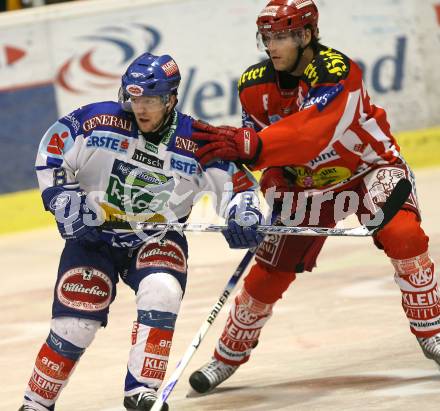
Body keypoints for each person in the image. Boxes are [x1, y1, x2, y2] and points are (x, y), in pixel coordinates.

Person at [188, 0, 440, 394]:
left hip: (365, 170)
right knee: (270, 270)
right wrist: (259, 196)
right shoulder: (254, 85)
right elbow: (260, 160)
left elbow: (311, 134)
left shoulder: (338, 71)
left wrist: (252, 147)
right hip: (304, 184)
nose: (272, 46)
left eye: (282, 36)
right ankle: (225, 356)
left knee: (403, 235)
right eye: (267, 37)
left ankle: (432, 332)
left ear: (306, 35)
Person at [19, 52, 264, 411]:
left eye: (150, 100)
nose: (141, 109)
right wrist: (61, 196)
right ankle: (35, 404)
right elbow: (54, 147)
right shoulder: (99, 120)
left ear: (171, 99)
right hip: (94, 236)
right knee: (75, 324)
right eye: (135, 99)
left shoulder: (196, 139)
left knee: (161, 290)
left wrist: (244, 213)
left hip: (157, 237)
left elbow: (239, 187)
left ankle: (142, 392)